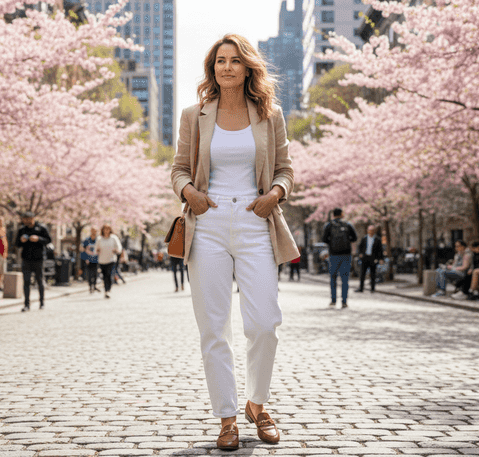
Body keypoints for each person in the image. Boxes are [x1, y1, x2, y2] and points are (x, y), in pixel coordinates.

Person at [170, 34, 299, 451]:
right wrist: (189, 192)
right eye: (220, 61)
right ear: (213, 68)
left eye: (235, 60)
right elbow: (178, 170)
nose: (227, 67)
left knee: (265, 324)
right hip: (206, 224)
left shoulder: (269, 114)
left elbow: (285, 170)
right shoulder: (194, 114)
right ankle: (227, 418)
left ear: (247, 68)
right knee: (214, 327)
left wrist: (274, 195)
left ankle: (257, 405)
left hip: (254, 221)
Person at [15, 211, 51, 312]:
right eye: (24, 219)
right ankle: (27, 304)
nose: (26, 221)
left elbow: (48, 240)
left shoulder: (41, 228)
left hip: (38, 259)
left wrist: (38, 239)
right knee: (26, 282)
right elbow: (17, 244)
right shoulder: (22, 230)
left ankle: (42, 303)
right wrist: (21, 241)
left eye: (28, 219)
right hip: (26, 259)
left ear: (33, 219)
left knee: (40, 281)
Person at [322, 209, 358, 308]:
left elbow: (324, 239)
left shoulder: (329, 225)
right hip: (346, 255)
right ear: (342, 214)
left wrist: (332, 243)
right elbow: (355, 238)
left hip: (333, 255)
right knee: (345, 279)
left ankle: (333, 300)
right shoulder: (348, 224)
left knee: (333, 278)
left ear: (333, 215)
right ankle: (344, 302)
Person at [94, 224, 122, 299]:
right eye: (105, 229)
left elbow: (119, 247)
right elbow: (95, 249)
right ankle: (106, 289)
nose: (106, 230)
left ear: (110, 230)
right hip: (102, 260)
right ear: (102, 230)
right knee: (104, 276)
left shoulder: (114, 238)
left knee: (109, 275)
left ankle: (108, 290)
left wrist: (117, 250)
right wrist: (97, 251)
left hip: (111, 260)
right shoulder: (99, 239)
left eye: (108, 229)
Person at [356, 225, 384, 293]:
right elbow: (360, 247)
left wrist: (381, 258)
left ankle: (372, 289)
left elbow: (380, 250)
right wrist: (360, 254)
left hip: (373, 258)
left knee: (373, 274)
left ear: (374, 231)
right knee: (362, 273)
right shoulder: (364, 238)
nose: (370, 232)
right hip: (365, 257)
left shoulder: (377, 239)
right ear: (367, 231)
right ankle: (361, 288)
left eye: (372, 230)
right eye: (369, 230)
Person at [81, 227, 102, 293]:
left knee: (96, 273)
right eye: (93, 231)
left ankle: (95, 286)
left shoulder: (98, 240)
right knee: (89, 274)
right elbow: (83, 249)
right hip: (89, 259)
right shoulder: (87, 240)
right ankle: (90, 287)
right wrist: (85, 258)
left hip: (96, 259)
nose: (94, 232)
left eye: (95, 231)